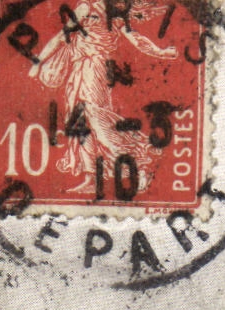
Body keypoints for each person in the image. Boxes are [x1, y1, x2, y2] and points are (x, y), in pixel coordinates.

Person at [30, 0, 178, 194]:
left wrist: (161, 52)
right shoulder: (86, 7)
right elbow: (61, 36)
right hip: (79, 69)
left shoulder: (116, 12)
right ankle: (92, 177)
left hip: (96, 68)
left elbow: (136, 38)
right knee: (79, 122)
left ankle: (138, 162)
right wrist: (38, 62)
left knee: (96, 118)